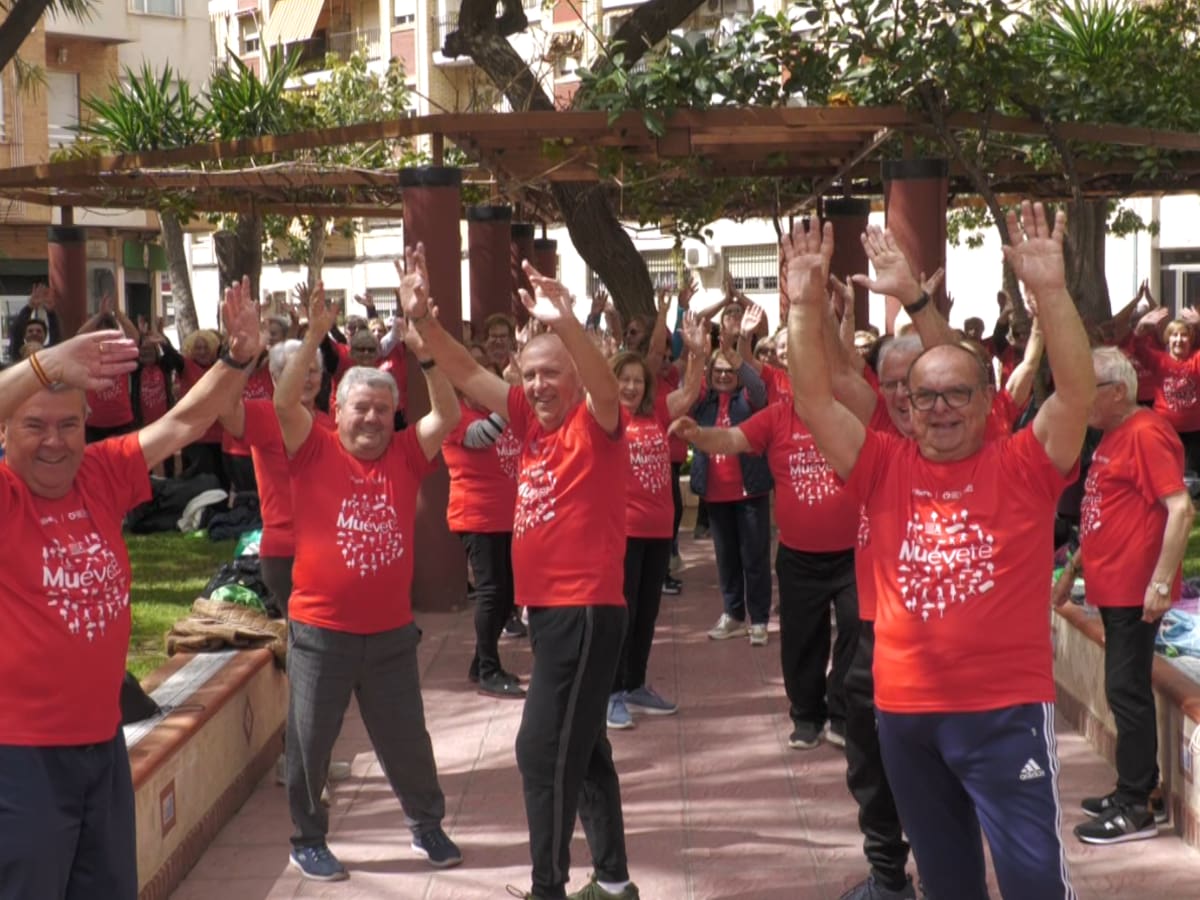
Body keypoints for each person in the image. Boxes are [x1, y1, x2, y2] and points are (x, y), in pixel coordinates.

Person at [785, 202, 1092, 900]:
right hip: (905, 718)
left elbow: (1075, 391)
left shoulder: (1023, 466)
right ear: (906, 406)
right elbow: (811, 398)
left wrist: (1049, 288)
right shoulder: (881, 467)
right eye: (926, 398)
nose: (941, 408)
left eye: (958, 394)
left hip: (1004, 716)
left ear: (989, 403)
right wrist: (803, 304)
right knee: (947, 886)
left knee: (1034, 884)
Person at [0, 282, 264, 900]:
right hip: (20, 758)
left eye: (69, 424)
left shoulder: (99, 473)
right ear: (5, 433)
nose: (54, 441)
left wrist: (236, 358)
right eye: (33, 425)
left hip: (104, 747)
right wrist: (41, 364)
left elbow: (186, 421)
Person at [404, 246, 637, 900]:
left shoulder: (596, 423)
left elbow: (604, 384)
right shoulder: (530, 422)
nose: (536, 387)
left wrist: (565, 323)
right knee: (584, 748)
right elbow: (465, 370)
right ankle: (615, 882)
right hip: (552, 615)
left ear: (573, 375)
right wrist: (425, 320)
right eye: (528, 376)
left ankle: (548, 888)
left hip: (585, 612)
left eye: (549, 375)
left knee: (540, 751)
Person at [273, 277, 462, 882]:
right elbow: (281, 405)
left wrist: (425, 348)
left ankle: (426, 825)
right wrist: (310, 338)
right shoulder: (313, 448)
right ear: (338, 410)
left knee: (407, 739)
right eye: (363, 408)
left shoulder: (407, 454)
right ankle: (307, 838)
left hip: (388, 637)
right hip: (320, 633)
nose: (375, 418)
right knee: (308, 744)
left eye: (384, 409)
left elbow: (450, 413)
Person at [1069, 346, 1192, 844]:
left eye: (1086, 387)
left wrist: (1161, 582)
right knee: (1125, 690)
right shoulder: (1111, 435)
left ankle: (1135, 805)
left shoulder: (1145, 432)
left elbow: (1180, 508)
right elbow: (1104, 509)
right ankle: (1137, 788)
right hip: (1112, 586)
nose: (1077, 399)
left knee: (1127, 692)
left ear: (1116, 391)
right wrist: (1071, 570)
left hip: (1135, 589)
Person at [606, 315, 706, 731]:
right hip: (623, 533)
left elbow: (690, 392)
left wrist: (698, 352)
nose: (631, 387)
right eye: (624, 380)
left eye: (637, 381)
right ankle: (610, 692)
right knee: (622, 615)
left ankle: (635, 684)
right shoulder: (608, 421)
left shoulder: (656, 416)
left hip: (658, 531)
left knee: (647, 614)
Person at [690, 346, 773, 646]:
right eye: (718, 370)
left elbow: (757, 386)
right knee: (727, 560)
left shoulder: (749, 400)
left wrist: (741, 355)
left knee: (754, 558)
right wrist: (696, 354)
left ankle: (760, 619)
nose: (724, 375)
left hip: (750, 490)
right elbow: (685, 391)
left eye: (729, 371)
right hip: (716, 493)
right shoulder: (703, 404)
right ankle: (733, 615)